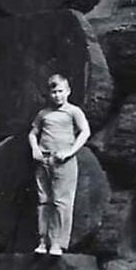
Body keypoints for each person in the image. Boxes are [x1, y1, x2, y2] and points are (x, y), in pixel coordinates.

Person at [28, 74, 90, 256]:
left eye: (60, 91)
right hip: (43, 160)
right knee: (43, 200)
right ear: (49, 93)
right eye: (53, 92)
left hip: (63, 161)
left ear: (68, 91)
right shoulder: (44, 114)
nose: (57, 95)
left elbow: (85, 132)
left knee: (61, 202)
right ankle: (43, 241)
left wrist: (70, 151)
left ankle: (57, 243)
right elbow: (33, 133)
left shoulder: (73, 111)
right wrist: (35, 149)